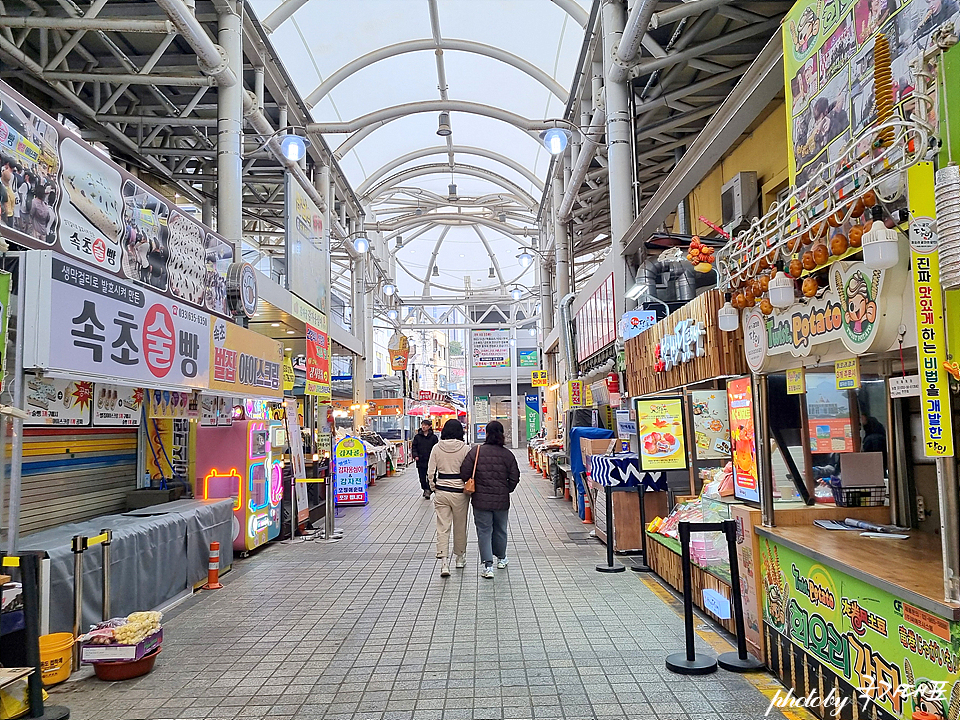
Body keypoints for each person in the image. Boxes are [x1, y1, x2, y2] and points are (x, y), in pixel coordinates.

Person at [461, 420, 519, 579]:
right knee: (500, 529)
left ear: (486, 433)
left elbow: (464, 472)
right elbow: (515, 476)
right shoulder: (507, 454)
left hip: (480, 500)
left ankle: (488, 566)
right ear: (502, 434)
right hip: (501, 500)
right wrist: (507, 490)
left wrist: (477, 486)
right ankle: (501, 558)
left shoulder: (476, 451)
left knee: (484, 531)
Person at [427, 419, 471, 577]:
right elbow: (470, 470)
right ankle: (459, 558)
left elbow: (430, 472)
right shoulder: (465, 448)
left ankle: (444, 562)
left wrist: (433, 488)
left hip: (442, 491)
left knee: (442, 527)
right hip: (460, 492)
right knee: (460, 525)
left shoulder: (436, 448)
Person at [411, 420, 438, 499]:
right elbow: (414, 447)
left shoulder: (434, 438)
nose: (423, 427)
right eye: (422, 425)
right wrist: (415, 455)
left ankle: (429, 489)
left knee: (431, 476)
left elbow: (436, 448)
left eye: (425, 425)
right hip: (420, 460)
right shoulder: (417, 437)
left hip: (431, 460)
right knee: (422, 477)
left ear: (429, 426)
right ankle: (425, 489)